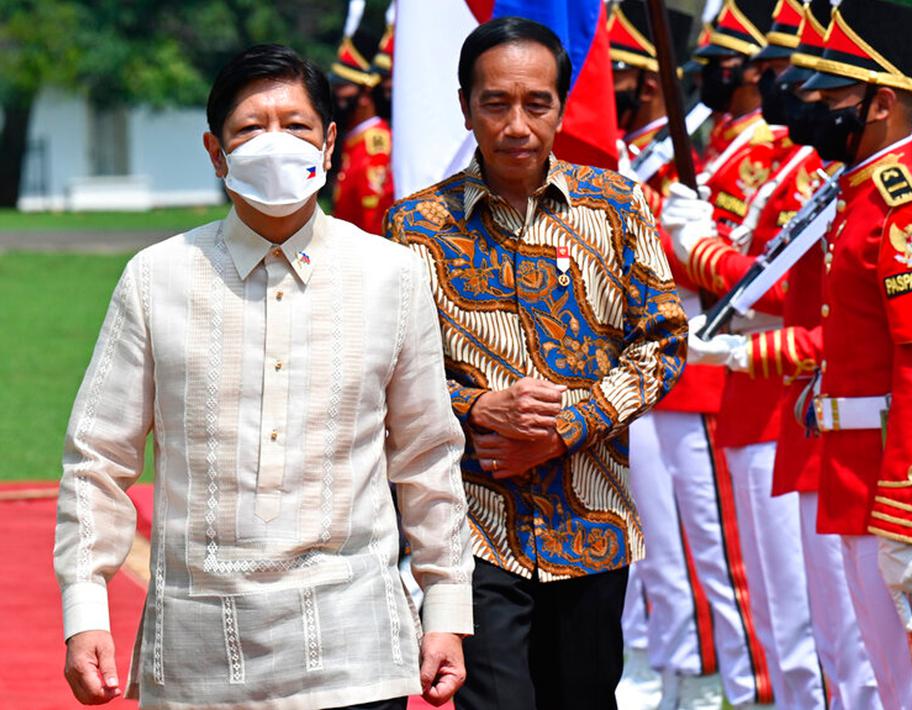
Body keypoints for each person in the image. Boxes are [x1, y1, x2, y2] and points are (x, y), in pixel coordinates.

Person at [55, 44, 472, 710]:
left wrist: (446, 604)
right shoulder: (157, 278)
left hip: (354, 648)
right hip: (200, 659)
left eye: (296, 126)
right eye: (250, 129)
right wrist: (86, 610)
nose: (274, 145)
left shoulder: (390, 276)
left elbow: (426, 456)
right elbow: (97, 460)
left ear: (329, 142)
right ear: (215, 153)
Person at [384, 17, 687, 710]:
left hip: (592, 521)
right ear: (466, 107)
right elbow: (391, 371)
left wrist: (567, 427)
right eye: (496, 104)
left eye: (536, 104)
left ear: (561, 103)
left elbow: (664, 341)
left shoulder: (615, 207)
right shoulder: (414, 229)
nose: (516, 124)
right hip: (473, 528)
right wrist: (475, 409)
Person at [792, 0, 912, 706]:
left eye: (833, 95)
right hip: (857, 476)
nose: (814, 107)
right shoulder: (863, 198)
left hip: (907, 486)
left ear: (879, 103)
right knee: (894, 686)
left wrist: (905, 511)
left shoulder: (903, 210)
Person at [662, 1, 827, 706]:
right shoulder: (769, 156)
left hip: (783, 385)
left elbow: (788, 288)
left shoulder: (806, 166)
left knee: (805, 615)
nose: (766, 84)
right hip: (748, 383)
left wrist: (699, 247)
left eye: (777, 70)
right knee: (772, 598)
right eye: (761, 70)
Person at [609, 3, 770, 709]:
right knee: (656, 546)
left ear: (646, 81)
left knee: (713, 547)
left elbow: (735, 273)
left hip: (696, 367)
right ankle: (673, 670)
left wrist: (682, 239)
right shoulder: (644, 153)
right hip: (637, 370)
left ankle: (724, 680)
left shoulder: (700, 154)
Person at [329, 32, 395, 235]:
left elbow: (374, 222)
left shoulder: (375, 146)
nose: (336, 94)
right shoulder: (352, 140)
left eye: (342, 87)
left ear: (365, 95)